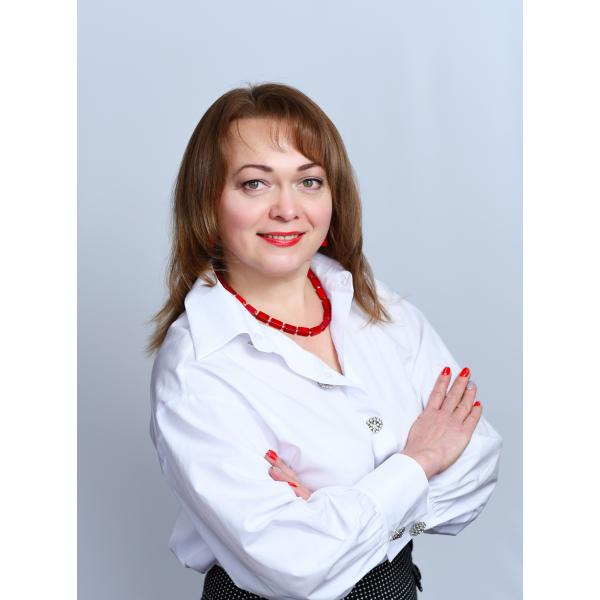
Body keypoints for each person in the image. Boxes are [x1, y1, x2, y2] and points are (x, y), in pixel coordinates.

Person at [147, 82, 503, 600]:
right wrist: (420, 461)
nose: (287, 208)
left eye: (309, 181)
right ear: (208, 202)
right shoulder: (196, 367)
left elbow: (478, 465)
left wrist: (336, 512)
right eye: (255, 184)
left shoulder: (374, 304)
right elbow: (295, 565)